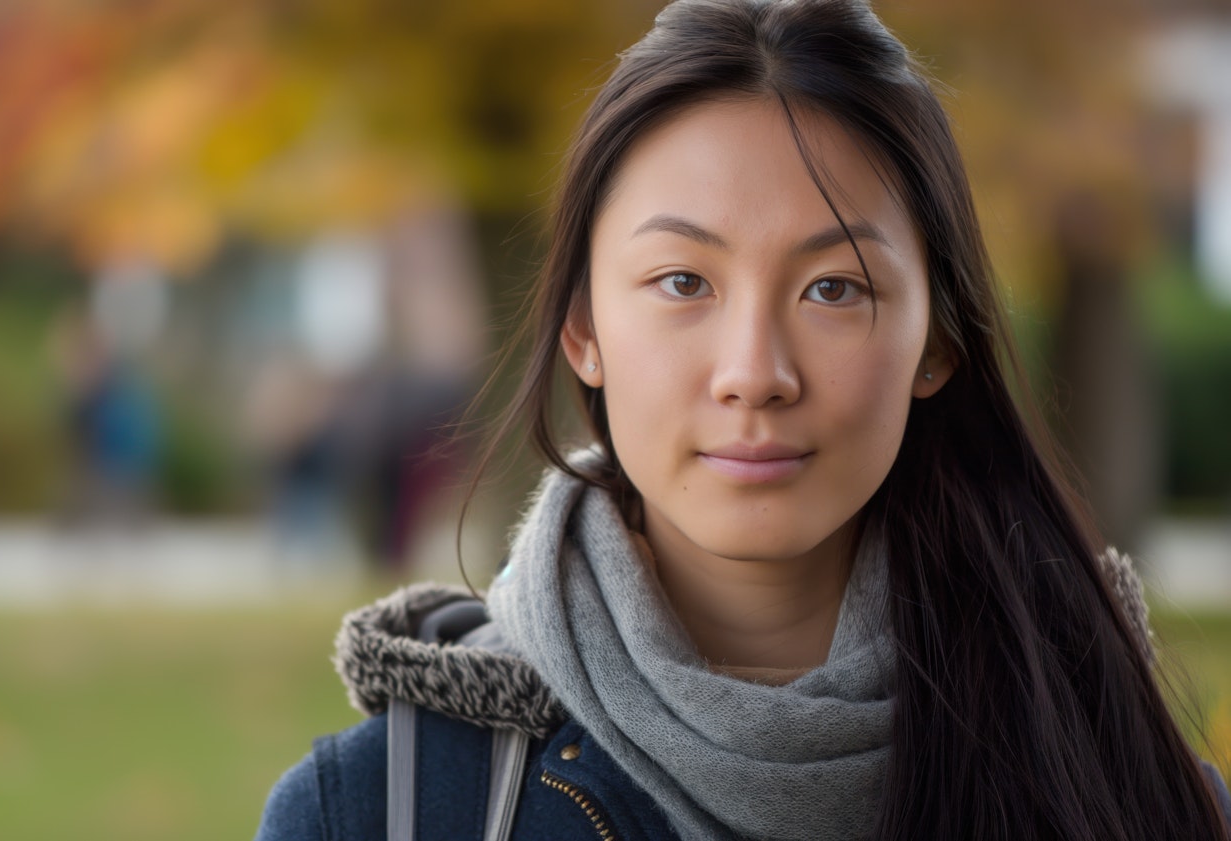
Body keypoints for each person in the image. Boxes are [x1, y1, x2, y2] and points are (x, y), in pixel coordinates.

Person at [256, 1, 1231, 838]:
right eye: (683, 282)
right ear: (583, 329)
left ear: (937, 340)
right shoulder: (379, 811)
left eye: (834, 288)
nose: (754, 374)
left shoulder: (1126, 790)